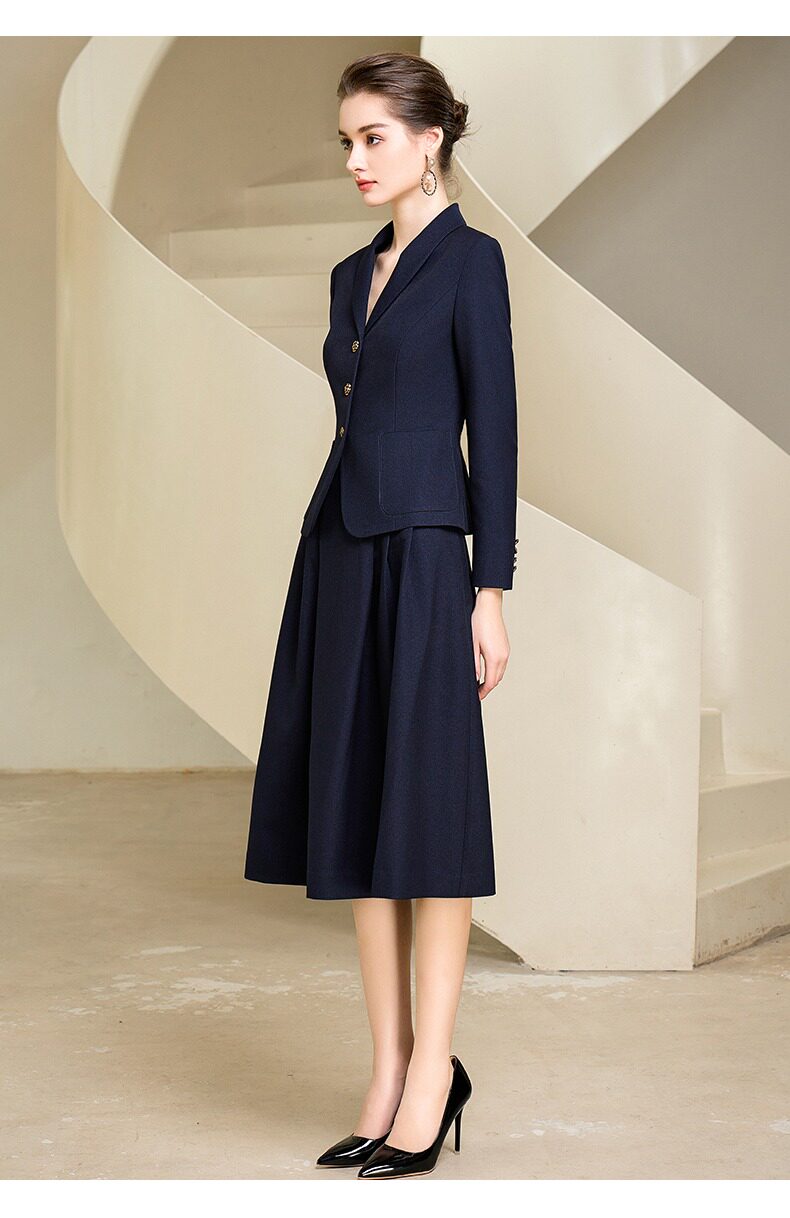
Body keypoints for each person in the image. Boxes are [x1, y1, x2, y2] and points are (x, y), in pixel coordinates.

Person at [244, 50, 518, 1180]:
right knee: (357, 812)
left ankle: (434, 1071)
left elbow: (494, 431)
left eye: (374, 138)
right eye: (348, 141)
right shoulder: (347, 273)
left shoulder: (472, 263)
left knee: (429, 819)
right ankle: (389, 1068)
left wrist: (489, 591)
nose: (355, 160)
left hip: (424, 557)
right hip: (340, 557)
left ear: (428, 140)